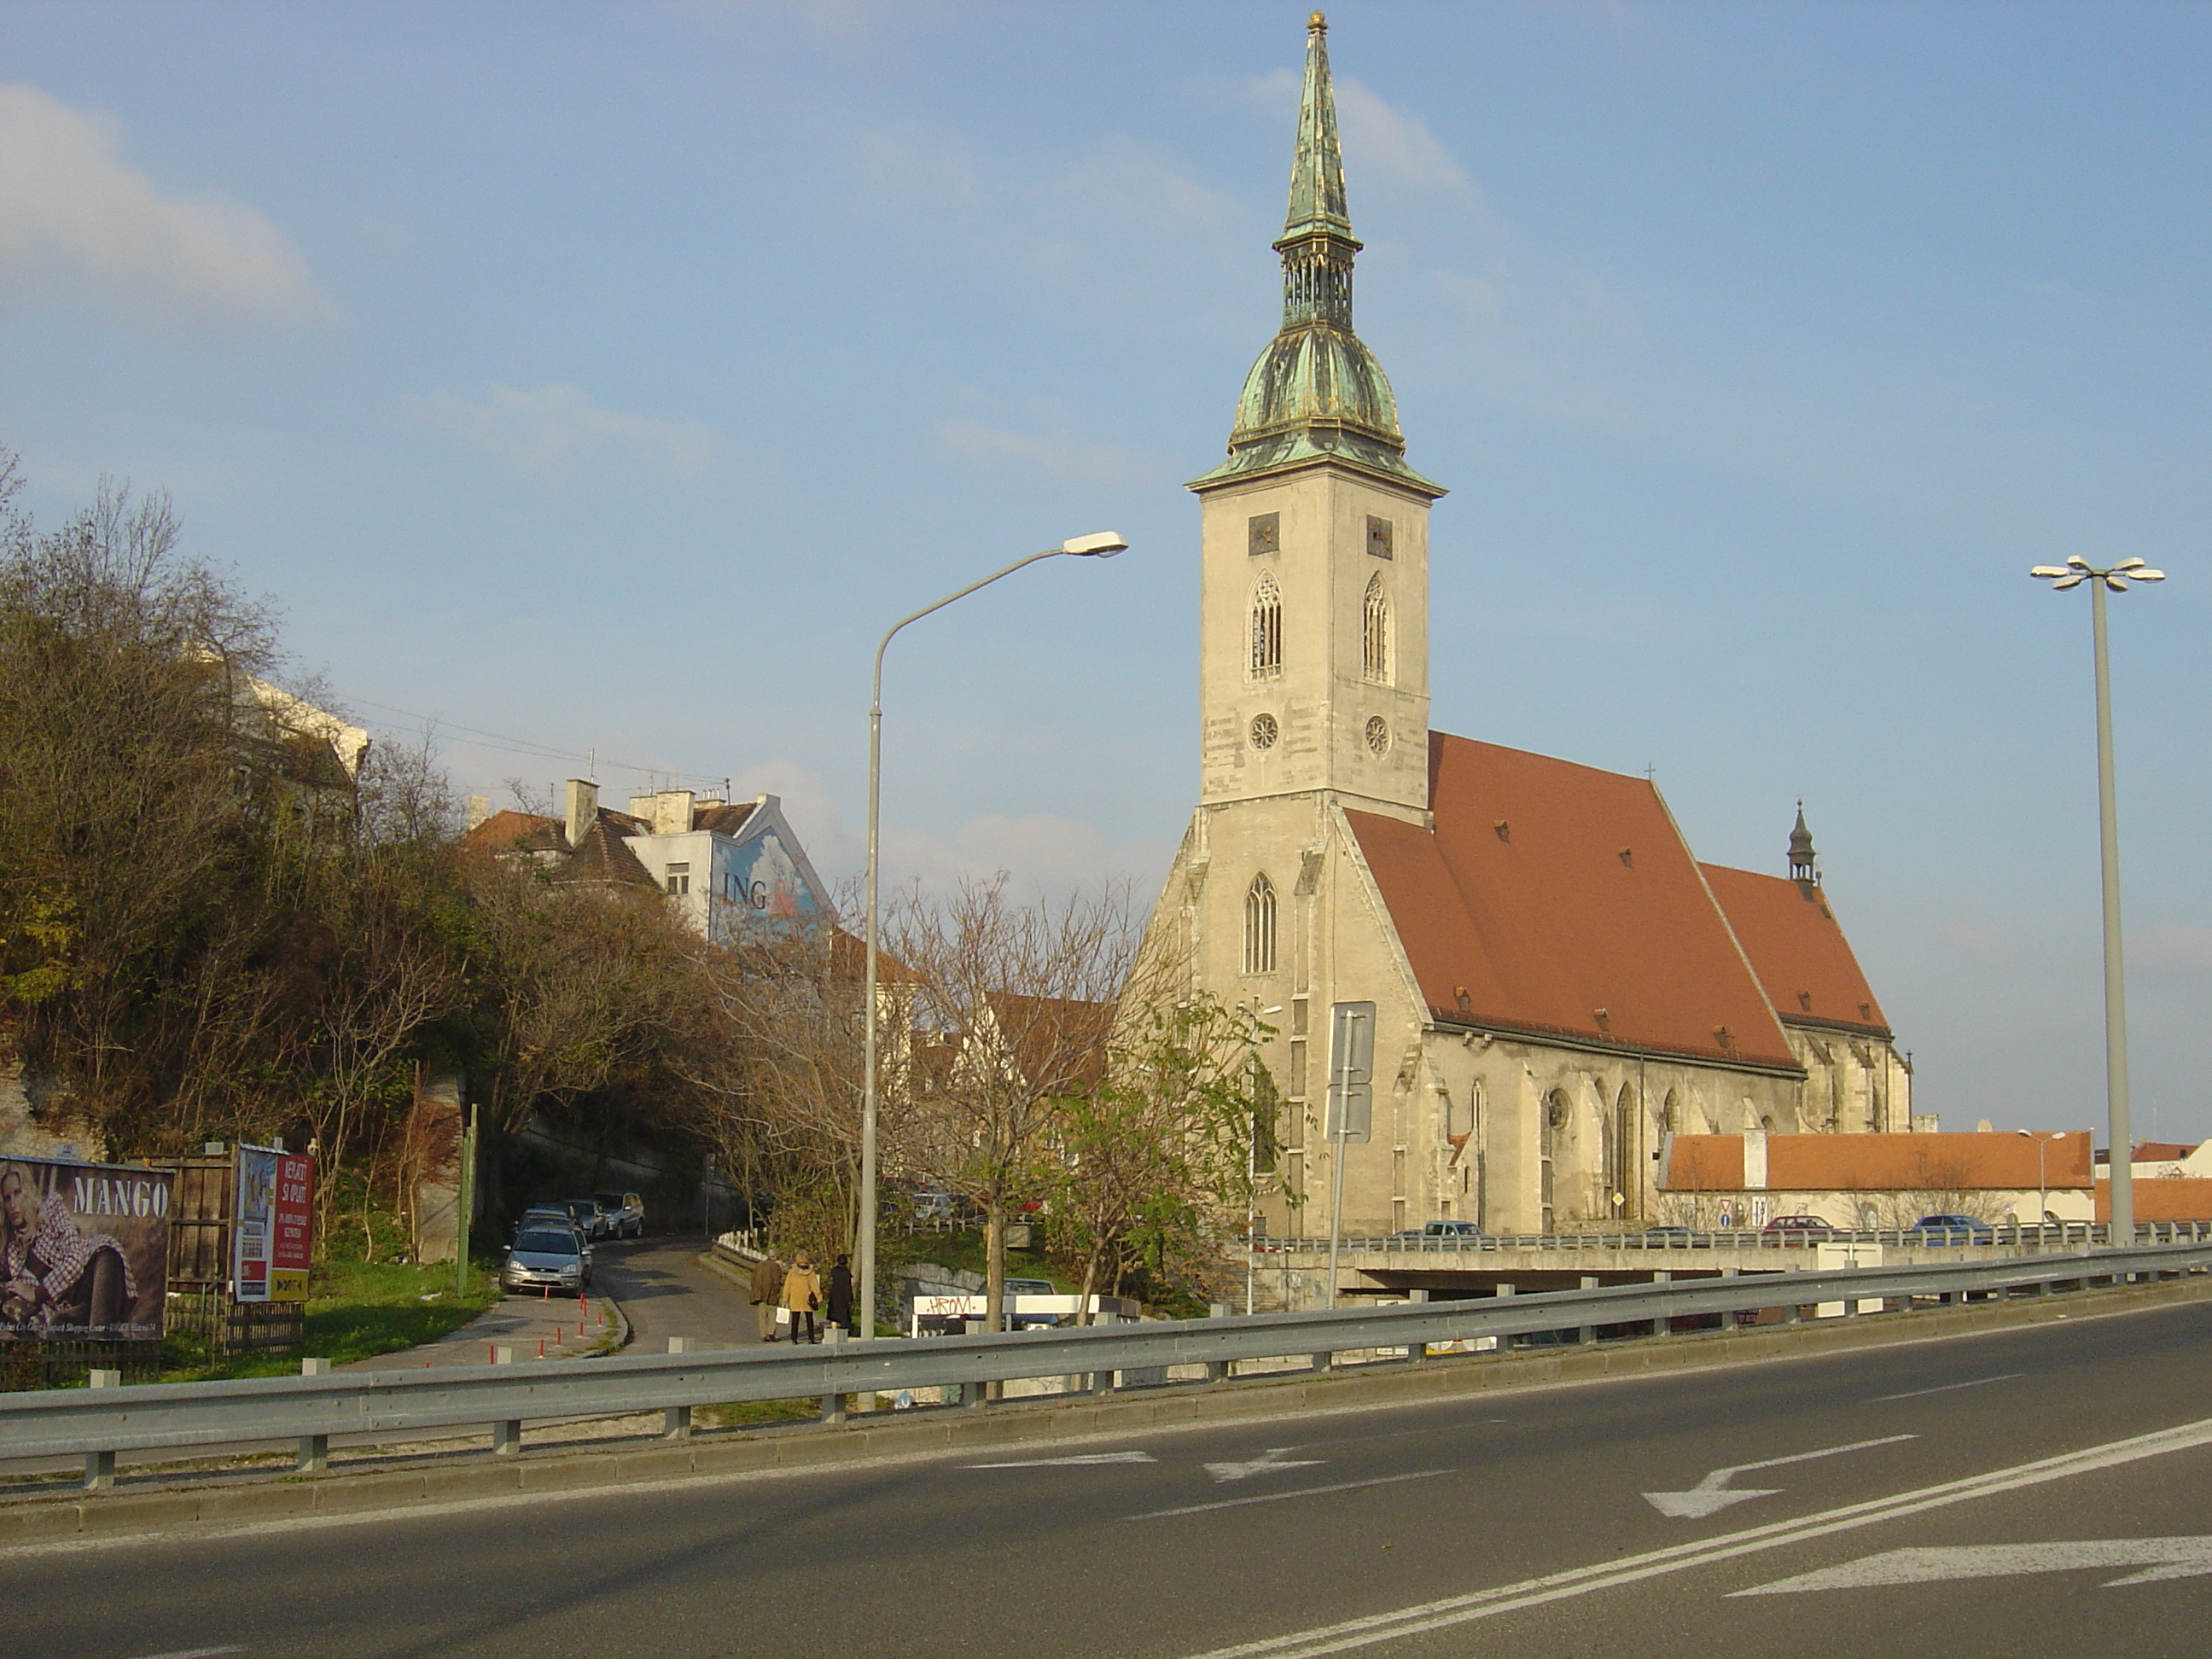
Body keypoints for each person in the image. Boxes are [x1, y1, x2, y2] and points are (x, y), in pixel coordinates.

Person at [0, 1161, 133, 1336]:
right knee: (59, 1325)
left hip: (98, 1266)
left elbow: (75, 1259)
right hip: (75, 1302)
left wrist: (36, 1293)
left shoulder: (52, 1209)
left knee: (98, 1334)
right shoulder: (12, 1252)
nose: (13, 1205)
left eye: (17, 1193)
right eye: (7, 1198)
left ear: (27, 1192)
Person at [782, 1254, 822, 1345]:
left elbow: (787, 1286)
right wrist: (819, 1297)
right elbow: (815, 1286)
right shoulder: (810, 1272)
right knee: (809, 1319)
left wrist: (785, 1299)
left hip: (795, 1298)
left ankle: (794, 1339)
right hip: (807, 1298)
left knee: (795, 1319)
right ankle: (811, 1338)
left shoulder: (792, 1272)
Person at [748, 1248, 786, 1342]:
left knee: (762, 1315)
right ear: (775, 1256)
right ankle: (771, 1332)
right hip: (772, 1294)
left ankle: (763, 1334)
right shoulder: (776, 1267)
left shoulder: (759, 1265)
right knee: (772, 1314)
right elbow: (778, 1281)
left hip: (760, 1294)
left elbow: (753, 1279)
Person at [824, 1253, 854, 1338]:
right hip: (844, 1297)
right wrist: (850, 1299)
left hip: (834, 1296)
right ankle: (843, 1335)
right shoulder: (846, 1273)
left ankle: (833, 1334)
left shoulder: (833, 1271)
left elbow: (830, 1283)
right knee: (843, 1316)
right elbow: (848, 1287)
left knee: (834, 1316)